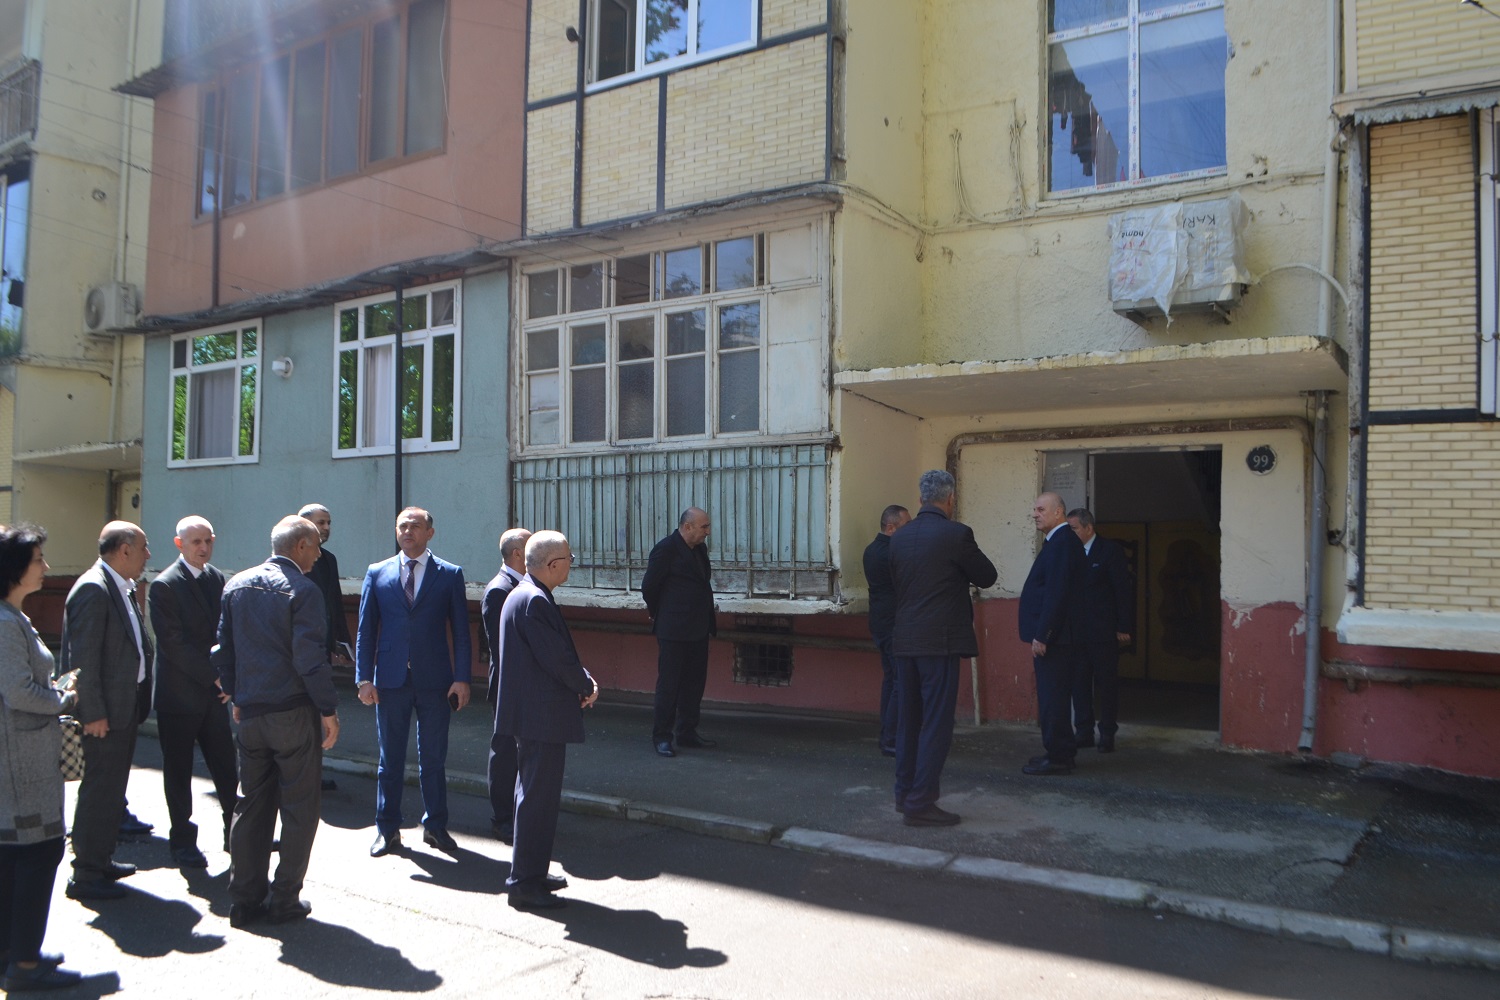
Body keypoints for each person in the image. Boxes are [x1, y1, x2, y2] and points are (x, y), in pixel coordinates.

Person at [214, 515, 340, 928]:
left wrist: (236, 693)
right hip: (292, 712)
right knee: (300, 808)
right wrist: (327, 710)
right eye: (315, 546)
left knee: (251, 805)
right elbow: (309, 659)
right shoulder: (303, 589)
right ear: (300, 546)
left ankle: (244, 900)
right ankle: (284, 898)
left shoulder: (236, 585)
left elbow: (223, 650)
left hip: (251, 712)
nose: (318, 554)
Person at [357, 506, 472, 857]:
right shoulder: (377, 572)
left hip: (435, 681)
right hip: (390, 681)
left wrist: (462, 678)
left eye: (415, 526)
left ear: (430, 533)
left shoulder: (449, 574)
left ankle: (435, 826)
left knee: (433, 758)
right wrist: (363, 678)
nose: (408, 531)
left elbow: (462, 632)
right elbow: (365, 630)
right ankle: (387, 829)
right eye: (402, 526)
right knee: (390, 759)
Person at [0, 524, 86, 991]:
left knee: (16, 859)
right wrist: (62, 698)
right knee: (38, 854)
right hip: (21, 764)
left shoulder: (13, 617)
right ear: (13, 568)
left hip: (21, 760)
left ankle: (15, 953)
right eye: (37, 560)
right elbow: (17, 692)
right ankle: (25, 964)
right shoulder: (4, 623)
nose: (46, 567)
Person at [494, 531, 598, 910]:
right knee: (537, 801)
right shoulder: (534, 600)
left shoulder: (524, 594)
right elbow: (557, 659)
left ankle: (532, 873)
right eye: (569, 558)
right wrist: (586, 685)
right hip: (540, 717)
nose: (571, 563)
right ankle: (524, 883)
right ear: (554, 565)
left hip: (535, 716)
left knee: (535, 798)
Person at [888, 471, 997, 827]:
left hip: (905, 638)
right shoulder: (956, 534)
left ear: (920, 499)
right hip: (940, 641)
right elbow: (987, 576)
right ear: (950, 499)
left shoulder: (898, 538)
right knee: (936, 723)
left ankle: (904, 794)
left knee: (908, 721)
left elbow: (898, 584)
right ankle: (921, 802)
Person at [62, 521, 153, 901]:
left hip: (124, 707)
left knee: (111, 791)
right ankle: (85, 873)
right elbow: (81, 659)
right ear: (125, 550)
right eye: (143, 547)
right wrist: (93, 712)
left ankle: (100, 860)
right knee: (100, 791)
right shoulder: (94, 588)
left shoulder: (120, 586)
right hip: (105, 714)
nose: (148, 555)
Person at [147, 515, 237, 869]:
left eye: (208, 541)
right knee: (179, 772)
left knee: (226, 767)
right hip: (179, 695)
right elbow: (173, 644)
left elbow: (225, 631)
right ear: (179, 544)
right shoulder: (165, 585)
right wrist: (215, 677)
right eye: (196, 542)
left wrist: (227, 675)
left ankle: (235, 832)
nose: (203, 548)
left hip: (214, 695)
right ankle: (183, 841)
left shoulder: (216, 578)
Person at [1018, 493, 1089, 776]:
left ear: (1058, 512)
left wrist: (1044, 635)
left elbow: (1056, 594)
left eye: (1040, 509)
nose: (1035, 514)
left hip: (1057, 639)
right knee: (1053, 697)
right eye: (1034, 509)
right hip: (1060, 637)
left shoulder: (1062, 544)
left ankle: (1059, 756)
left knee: (1053, 699)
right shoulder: (1059, 542)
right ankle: (1060, 751)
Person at [641, 507, 716, 758]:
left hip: (699, 627)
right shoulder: (666, 549)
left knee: (694, 684)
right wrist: (658, 613)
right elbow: (649, 587)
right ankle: (662, 736)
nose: (708, 531)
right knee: (669, 686)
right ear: (687, 527)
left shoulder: (699, 549)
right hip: (673, 629)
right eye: (704, 527)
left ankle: (687, 732)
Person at [1066, 509, 1135, 753]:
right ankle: (1083, 732)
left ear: (1089, 528)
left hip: (1103, 631)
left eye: (1074, 529)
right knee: (1079, 683)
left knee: (1107, 683)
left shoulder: (1110, 551)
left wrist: (1124, 625)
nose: (1071, 534)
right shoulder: (1069, 552)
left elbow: (1122, 590)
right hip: (1077, 632)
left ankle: (1107, 733)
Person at [298, 503, 354, 792]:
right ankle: (299, 775)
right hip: (300, 652)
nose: (326, 528)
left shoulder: (328, 559)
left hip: (321, 651)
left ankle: (313, 773)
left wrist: (342, 643)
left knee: (317, 712)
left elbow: (335, 603)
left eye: (328, 522)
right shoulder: (294, 559)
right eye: (321, 522)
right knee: (300, 714)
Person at [483, 527, 531, 843]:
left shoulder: (522, 585)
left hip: (521, 686)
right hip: (508, 687)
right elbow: (501, 649)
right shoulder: (500, 590)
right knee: (505, 753)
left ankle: (517, 812)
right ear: (517, 554)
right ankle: (502, 818)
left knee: (520, 752)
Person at [863, 505, 911, 757]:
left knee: (891, 679)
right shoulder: (892, 553)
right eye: (906, 525)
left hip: (881, 622)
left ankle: (888, 735)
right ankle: (891, 738)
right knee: (899, 681)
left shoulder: (872, 550)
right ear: (891, 528)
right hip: (893, 624)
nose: (911, 530)